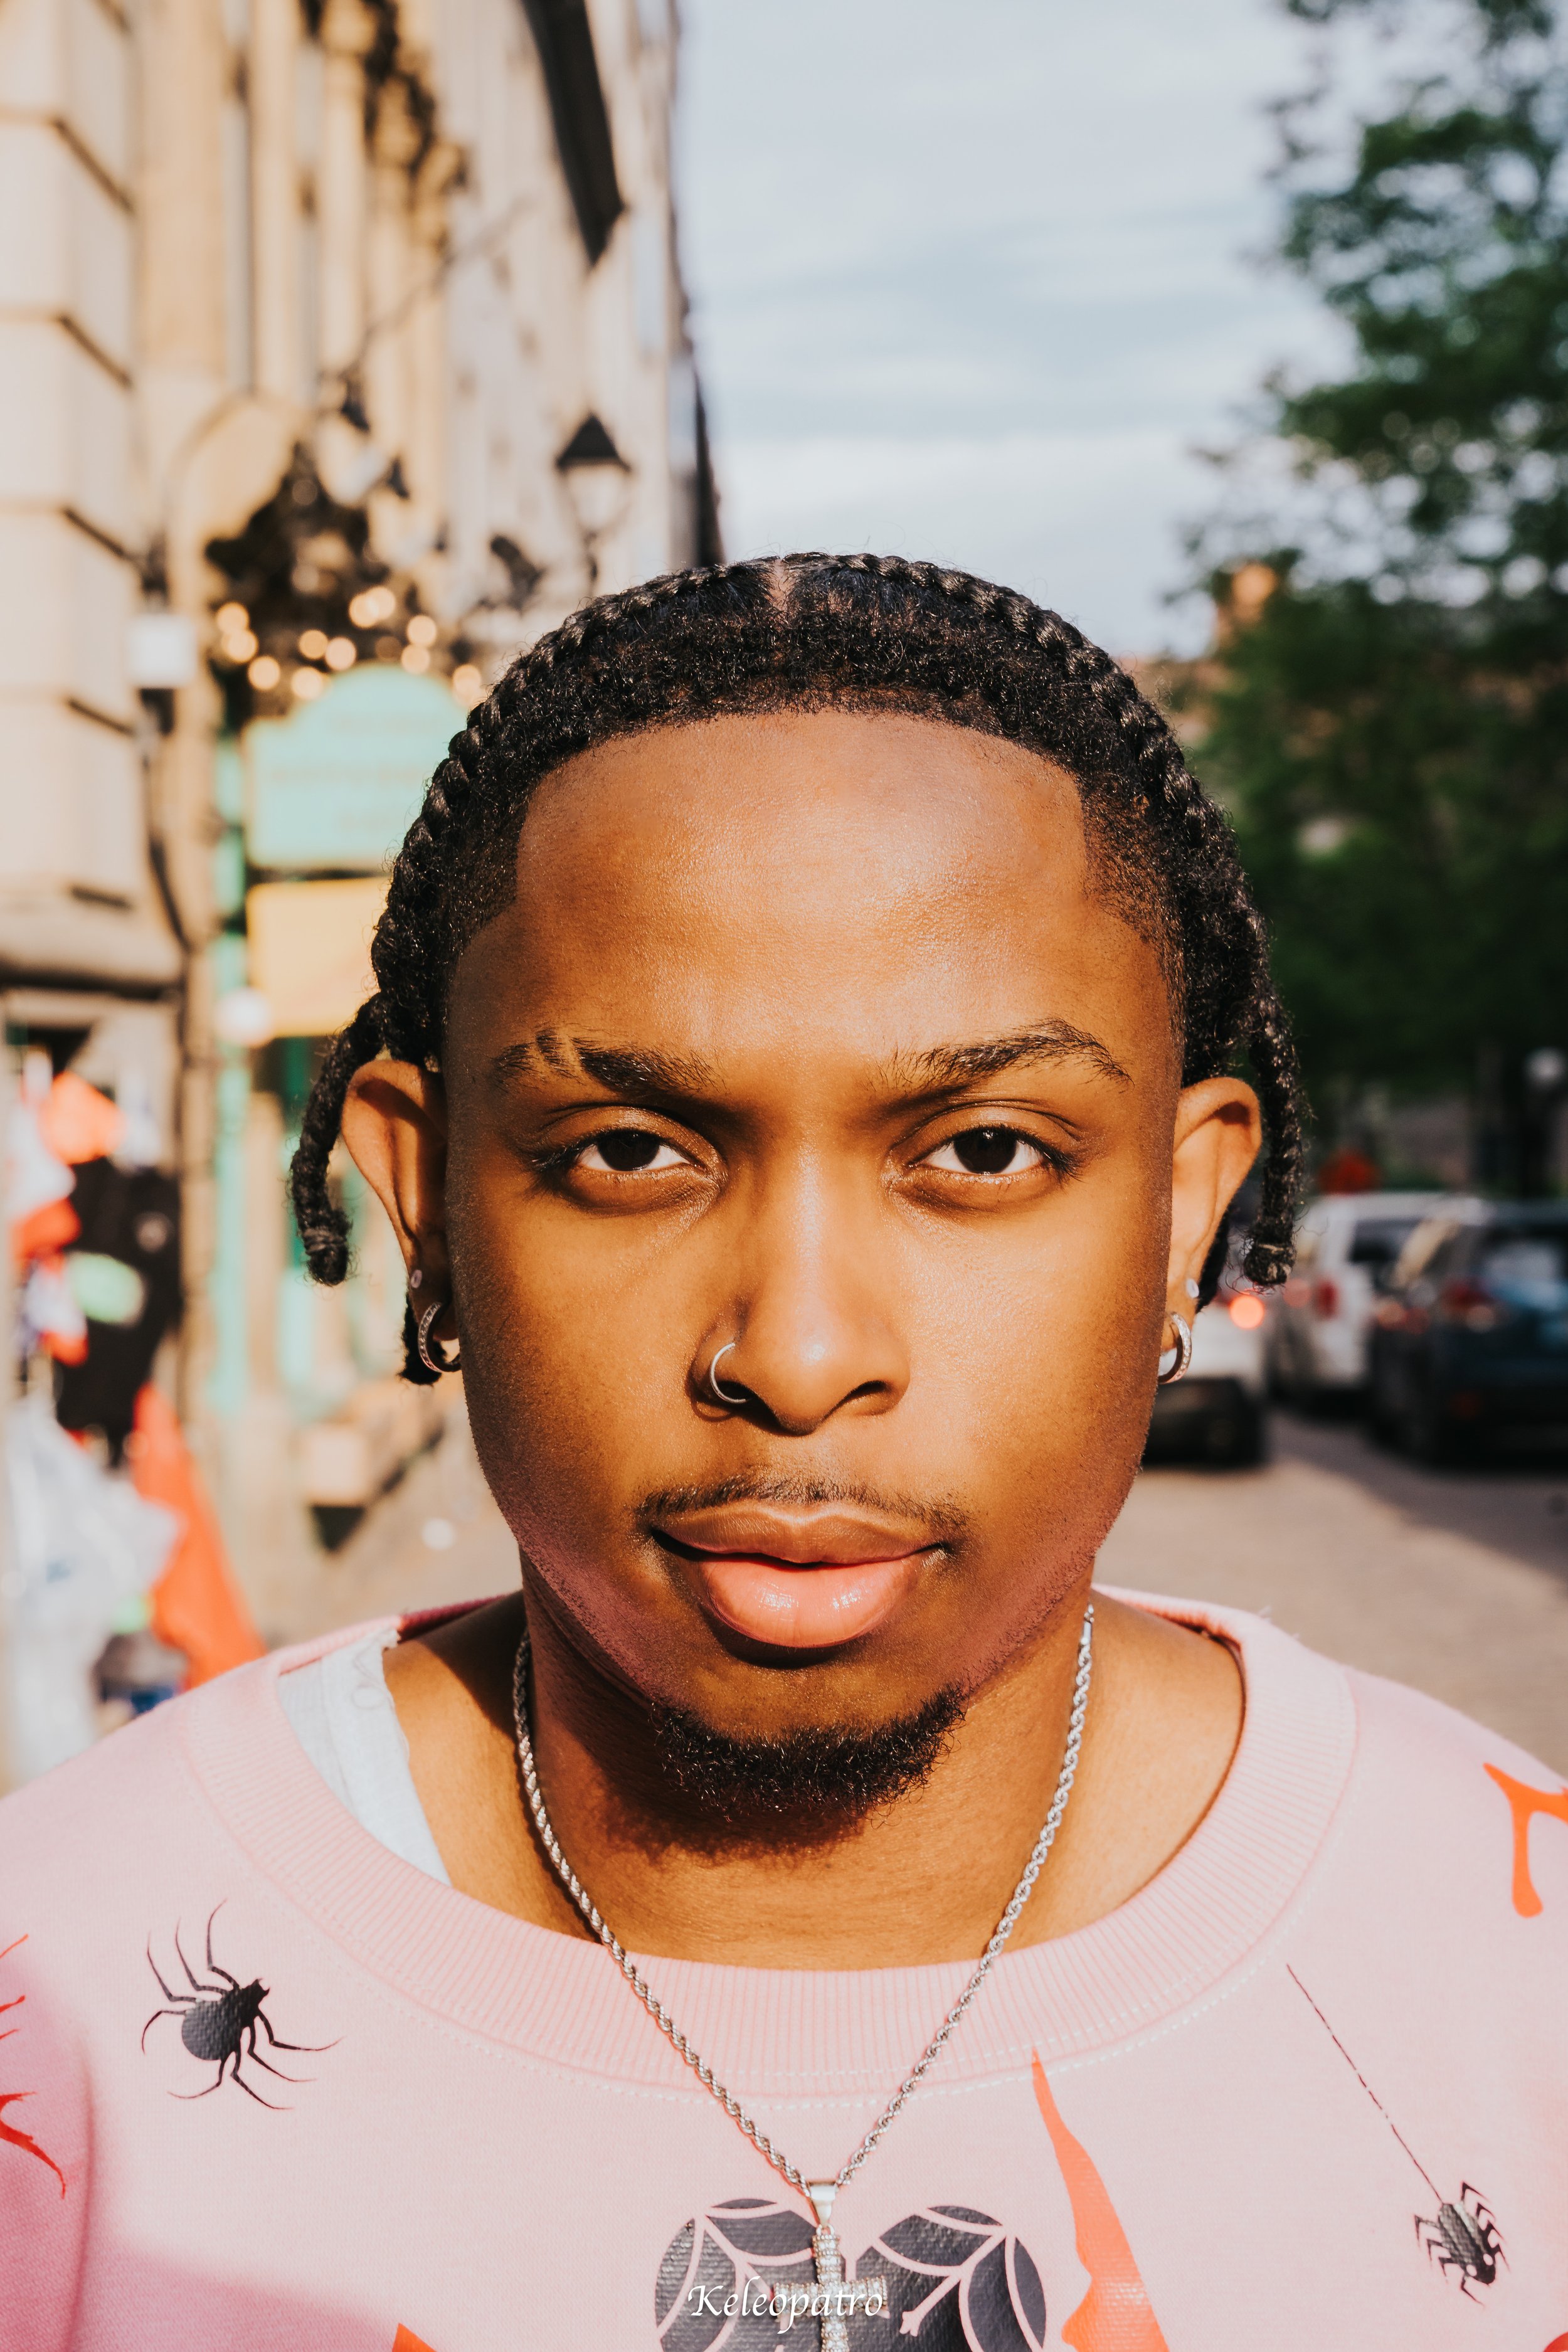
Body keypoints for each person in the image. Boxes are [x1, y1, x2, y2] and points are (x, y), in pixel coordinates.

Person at [3, 554, 1564, 2351]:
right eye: (626, 1151)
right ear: (424, 1203)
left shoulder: (1517, 1967)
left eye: (979, 1153)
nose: (798, 1356)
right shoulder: (54, 1994)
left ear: (1182, 1217)